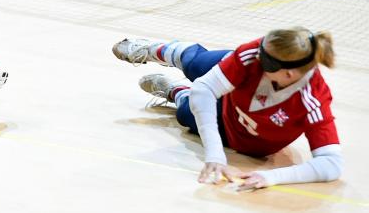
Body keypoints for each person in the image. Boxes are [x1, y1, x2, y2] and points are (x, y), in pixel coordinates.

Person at [111, 27, 342, 190]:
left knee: (185, 113)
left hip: (237, 134)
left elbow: (330, 164)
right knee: (197, 64)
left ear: (289, 74)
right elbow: (205, 89)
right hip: (234, 93)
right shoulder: (255, 55)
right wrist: (214, 155)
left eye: (267, 60)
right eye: (261, 48)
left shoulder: (313, 99)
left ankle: (177, 91)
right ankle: (156, 50)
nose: (257, 56)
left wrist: (270, 177)